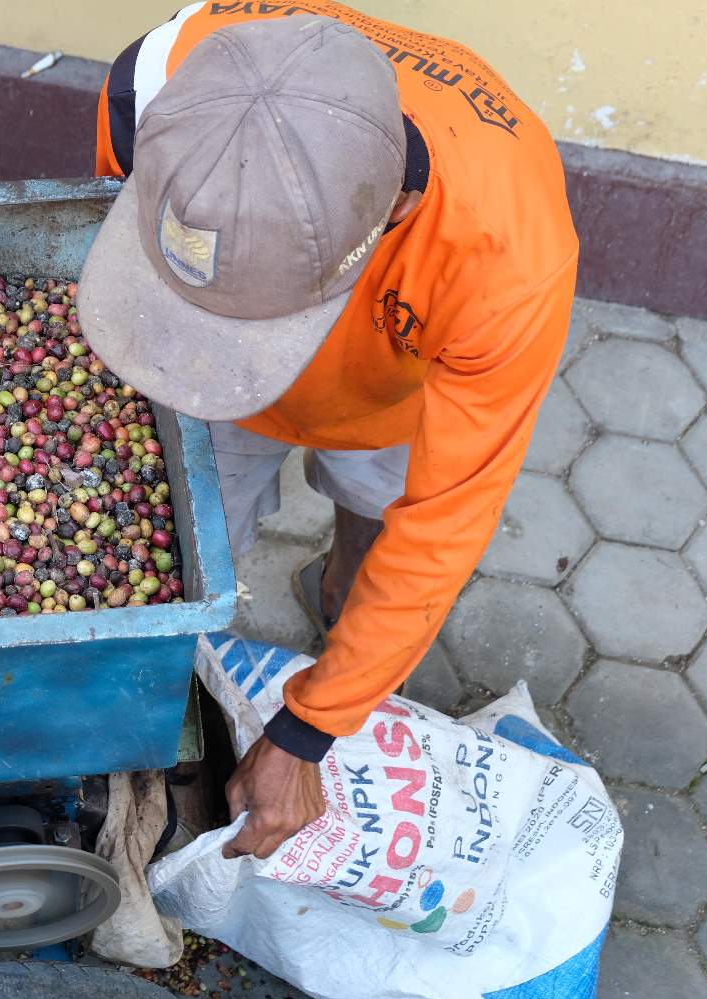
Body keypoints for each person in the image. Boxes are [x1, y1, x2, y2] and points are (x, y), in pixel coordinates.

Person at [77, 3, 577, 860]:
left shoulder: (505, 257)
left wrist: (312, 727)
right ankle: (154, 735)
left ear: (399, 210)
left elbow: (445, 521)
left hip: (393, 393)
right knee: (175, 574)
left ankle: (338, 594)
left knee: (376, 535)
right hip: (199, 386)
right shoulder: (153, 79)